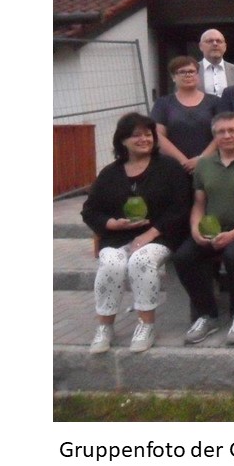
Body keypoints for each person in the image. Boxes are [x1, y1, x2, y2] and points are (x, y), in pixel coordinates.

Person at [81, 113, 190, 354]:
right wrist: (111, 224)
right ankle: (105, 327)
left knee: (141, 261)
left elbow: (181, 207)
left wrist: (150, 233)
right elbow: (89, 211)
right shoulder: (110, 173)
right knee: (111, 263)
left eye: (148, 134)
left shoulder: (168, 167)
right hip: (117, 237)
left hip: (160, 235)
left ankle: (145, 325)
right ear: (123, 140)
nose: (144, 139)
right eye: (136, 135)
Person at [172, 112, 234, 346]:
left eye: (232, 130)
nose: (226, 136)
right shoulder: (204, 164)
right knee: (183, 256)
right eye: (220, 132)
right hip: (211, 229)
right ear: (214, 136)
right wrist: (195, 229)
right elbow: (199, 203)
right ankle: (207, 315)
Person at [151, 55, 220, 175]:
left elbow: (222, 133)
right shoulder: (163, 103)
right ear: (173, 77)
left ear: (198, 75)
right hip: (174, 168)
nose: (188, 75)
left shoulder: (215, 102)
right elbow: (157, 136)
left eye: (191, 71)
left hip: (210, 166)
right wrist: (184, 162)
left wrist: (201, 160)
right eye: (182, 72)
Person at [197, 28, 234, 97]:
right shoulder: (192, 71)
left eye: (219, 41)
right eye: (210, 41)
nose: (215, 44)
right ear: (200, 46)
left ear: (225, 47)